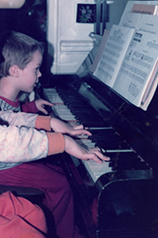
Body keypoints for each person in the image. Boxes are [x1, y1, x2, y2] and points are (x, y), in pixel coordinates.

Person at [0, 31, 110, 238]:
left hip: (8, 159)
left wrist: (32, 107)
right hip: (5, 165)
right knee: (60, 184)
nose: (40, 74)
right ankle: (61, 232)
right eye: (36, 69)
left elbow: (11, 117)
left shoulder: (7, 99)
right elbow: (9, 135)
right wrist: (64, 141)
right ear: (15, 70)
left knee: (58, 169)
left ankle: (69, 224)